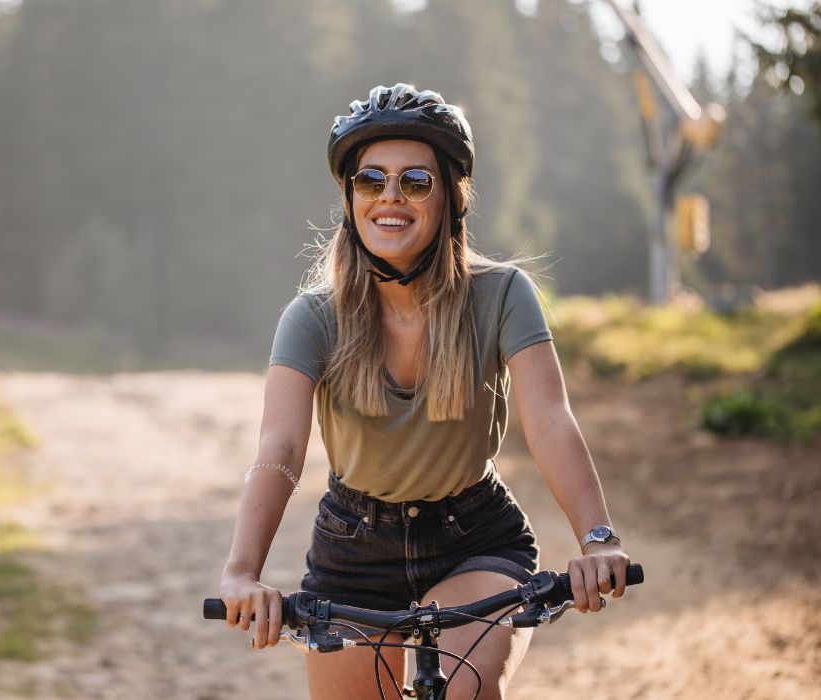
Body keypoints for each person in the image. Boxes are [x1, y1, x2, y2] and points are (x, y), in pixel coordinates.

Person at [217, 84, 632, 700]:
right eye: (370, 181)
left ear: (450, 201)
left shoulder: (502, 294)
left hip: (474, 536)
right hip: (353, 549)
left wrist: (598, 538)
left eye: (414, 181)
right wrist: (242, 572)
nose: (390, 197)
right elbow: (280, 447)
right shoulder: (313, 317)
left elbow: (548, 420)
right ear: (350, 199)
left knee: (465, 691)